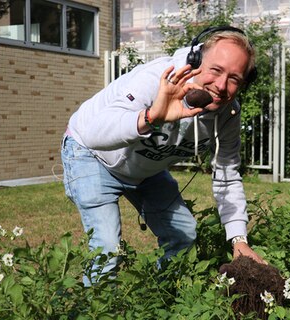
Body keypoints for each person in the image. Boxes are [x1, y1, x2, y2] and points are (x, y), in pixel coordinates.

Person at [61, 26, 265, 285]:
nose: (222, 85)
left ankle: (158, 297)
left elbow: (227, 177)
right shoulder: (157, 79)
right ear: (195, 60)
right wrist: (151, 117)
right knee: (107, 249)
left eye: (234, 78)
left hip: (146, 167)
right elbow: (92, 134)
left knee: (183, 236)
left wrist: (239, 240)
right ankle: (95, 310)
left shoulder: (228, 115)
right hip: (91, 153)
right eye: (216, 70)